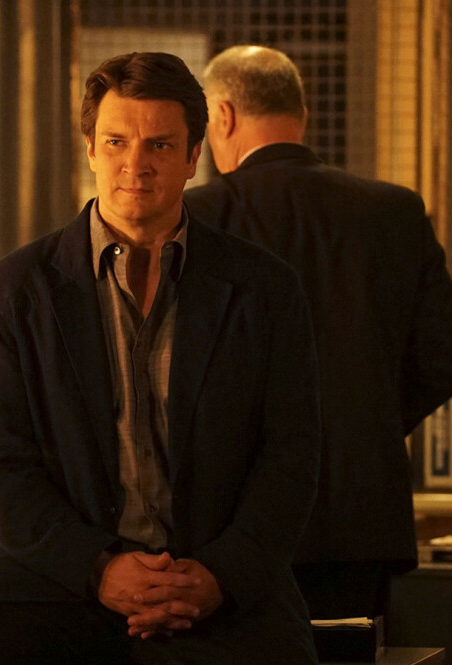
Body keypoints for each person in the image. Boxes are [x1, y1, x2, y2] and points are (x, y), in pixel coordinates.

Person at [0, 52, 343, 665]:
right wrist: (99, 568)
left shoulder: (264, 288)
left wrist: (218, 576)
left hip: (216, 583)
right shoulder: (14, 290)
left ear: (194, 154)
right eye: (116, 141)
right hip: (64, 577)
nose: (135, 164)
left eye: (158, 144)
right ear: (89, 147)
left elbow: (290, 458)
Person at [185, 45, 452, 623]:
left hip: (234, 519)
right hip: (361, 513)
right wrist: (370, 418)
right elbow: (440, 357)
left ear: (223, 116)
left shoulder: (197, 218)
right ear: (302, 115)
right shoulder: (393, 210)